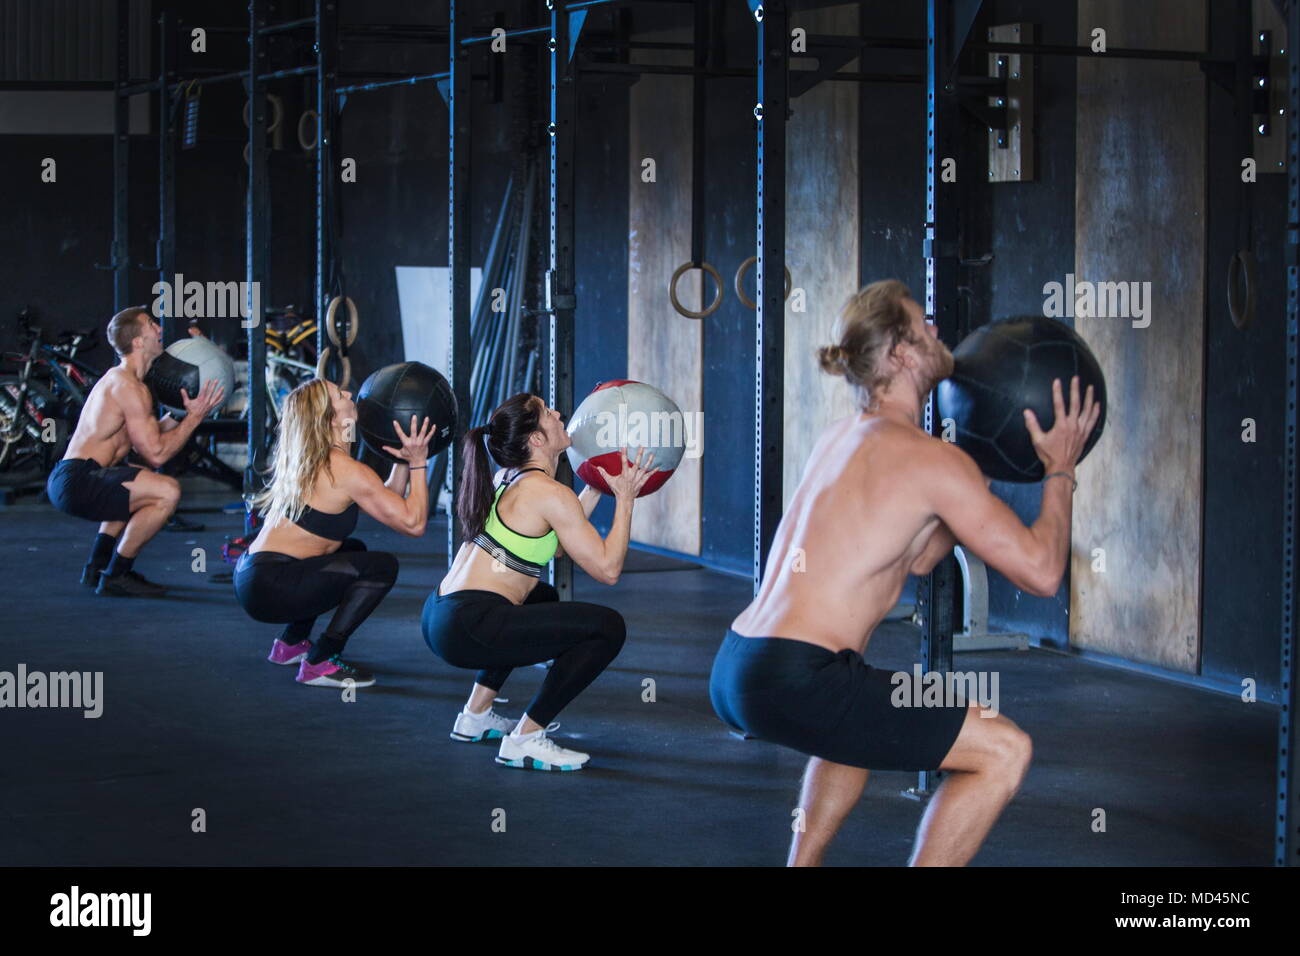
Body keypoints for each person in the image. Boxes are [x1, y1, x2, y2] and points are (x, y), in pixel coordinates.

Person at [709, 279, 1101, 866]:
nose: (938, 331)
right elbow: (1043, 573)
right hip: (800, 676)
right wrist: (1060, 470)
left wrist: (981, 465)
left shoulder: (842, 437)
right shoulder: (930, 460)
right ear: (900, 353)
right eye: (924, 326)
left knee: (857, 725)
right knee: (1003, 750)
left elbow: (918, 557)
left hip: (740, 664)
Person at [422, 392, 656, 771]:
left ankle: (475, 716)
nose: (559, 413)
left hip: (441, 616)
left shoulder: (508, 478)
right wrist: (626, 499)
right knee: (607, 628)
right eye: (548, 412)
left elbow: (558, 544)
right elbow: (608, 570)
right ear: (536, 439)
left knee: (542, 595)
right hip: (468, 626)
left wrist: (595, 487)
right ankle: (526, 738)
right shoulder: (549, 493)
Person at [233, 378, 433, 689]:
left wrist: (403, 460)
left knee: (352, 548)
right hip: (270, 587)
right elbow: (414, 523)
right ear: (331, 419)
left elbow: (385, 501)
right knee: (381, 567)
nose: (350, 394)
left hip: (255, 577)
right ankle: (321, 660)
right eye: (340, 395)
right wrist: (420, 464)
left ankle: (291, 644)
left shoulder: (316, 460)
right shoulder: (344, 469)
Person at [46, 306, 225, 597]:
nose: (160, 329)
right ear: (138, 342)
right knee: (166, 491)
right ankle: (117, 575)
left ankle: (97, 566)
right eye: (152, 325)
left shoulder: (124, 381)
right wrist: (194, 418)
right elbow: (157, 454)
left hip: (77, 477)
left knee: (135, 482)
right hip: (77, 480)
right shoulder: (128, 387)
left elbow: (152, 434)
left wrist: (187, 413)